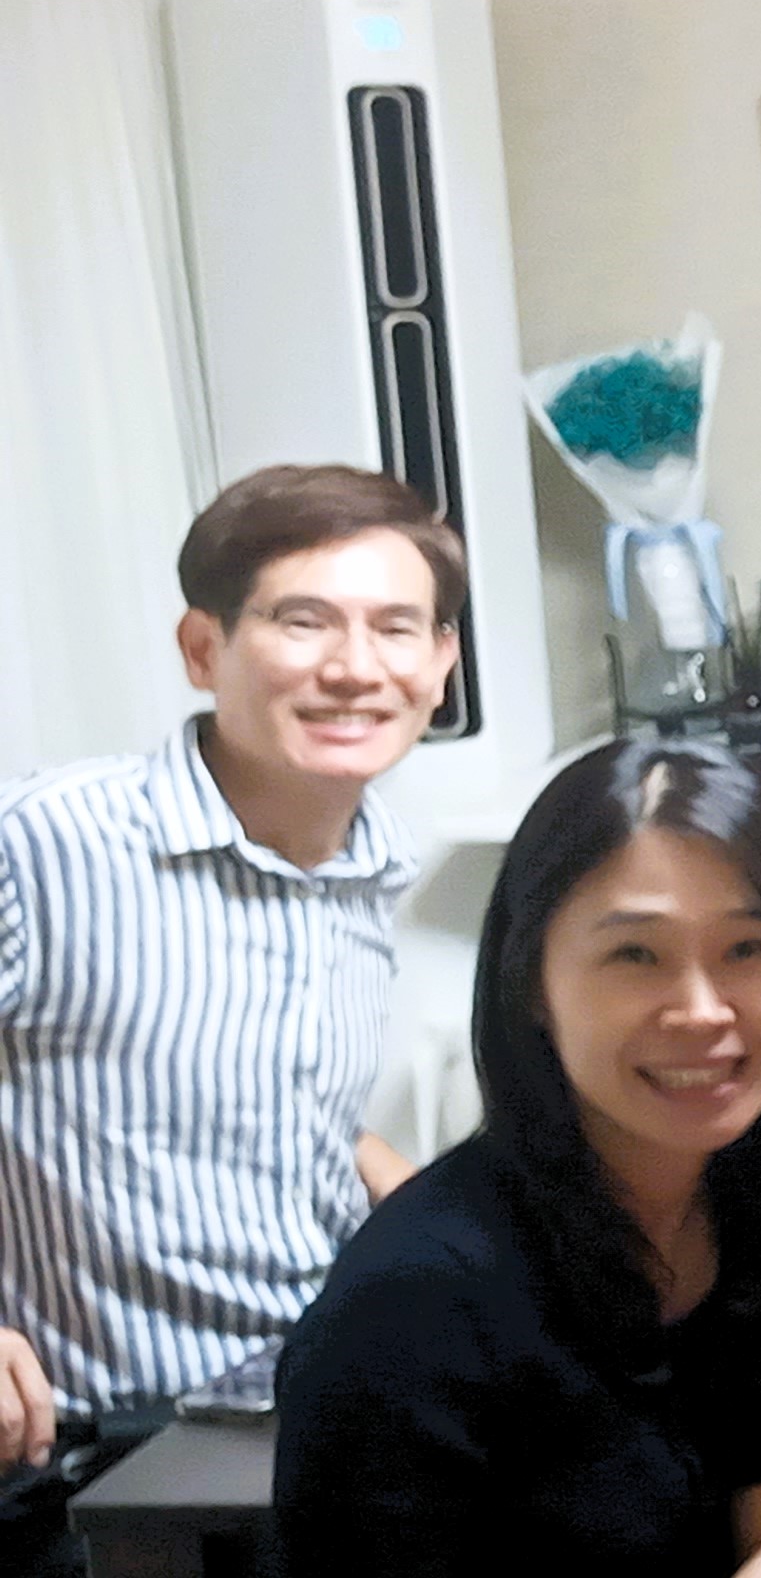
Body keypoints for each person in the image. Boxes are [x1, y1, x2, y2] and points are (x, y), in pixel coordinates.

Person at [0, 466, 464, 1576]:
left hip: (317, 1424)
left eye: (396, 627)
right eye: (303, 622)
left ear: (441, 664)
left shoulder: (372, 860)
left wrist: (420, 1196)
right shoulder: (50, 842)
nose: (355, 667)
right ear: (202, 648)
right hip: (108, 1474)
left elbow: (261, 1092)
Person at [273, 739, 761, 1574]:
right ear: (532, 986)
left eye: (749, 948)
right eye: (636, 955)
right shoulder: (409, 1306)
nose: (701, 1010)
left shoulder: (751, 1198)